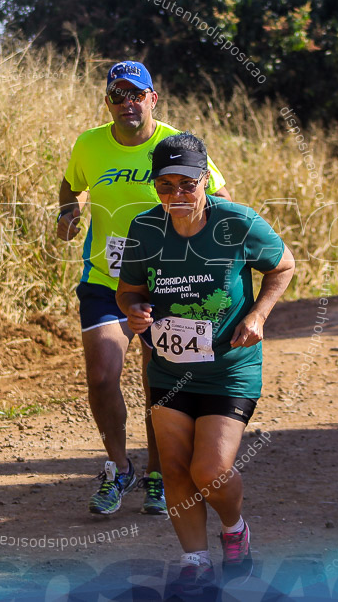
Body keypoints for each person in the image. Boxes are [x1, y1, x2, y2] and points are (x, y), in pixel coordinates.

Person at [116, 132, 293, 590]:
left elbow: (284, 265)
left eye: (187, 184)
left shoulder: (237, 222)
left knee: (209, 470)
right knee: (174, 468)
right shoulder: (145, 229)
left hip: (229, 367)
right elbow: (128, 290)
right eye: (165, 185)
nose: (176, 195)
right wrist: (134, 312)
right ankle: (195, 561)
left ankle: (234, 529)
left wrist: (258, 314)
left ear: (206, 179)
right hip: (169, 370)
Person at [57, 61, 231, 516]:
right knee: (101, 376)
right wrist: (69, 212)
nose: (127, 103)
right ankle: (119, 469)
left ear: (153, 99)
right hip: (106, 279)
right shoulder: (90, 144)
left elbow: (219, 195)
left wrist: (206, 247)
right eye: (118, 95)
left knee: (160, 384)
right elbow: (71, 185)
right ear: (108, 102)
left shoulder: (172, 144)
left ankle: (160, 474)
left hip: (168, 282)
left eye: (136, 94)